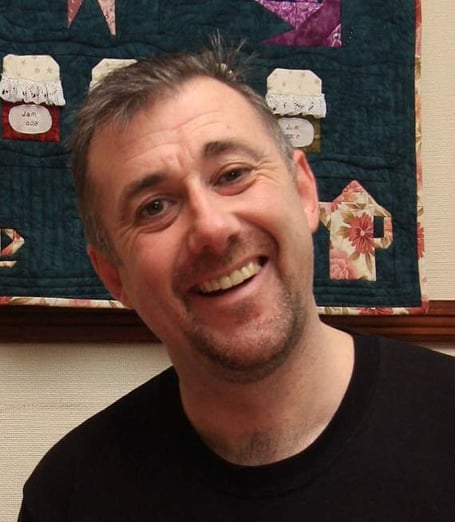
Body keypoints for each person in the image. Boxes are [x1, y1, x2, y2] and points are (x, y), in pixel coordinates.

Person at [19, 41, 455, 521]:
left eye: (232, 175)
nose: (212, 228)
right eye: (154, 207)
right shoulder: (67, 497)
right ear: (112, 275)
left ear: (304, 192)